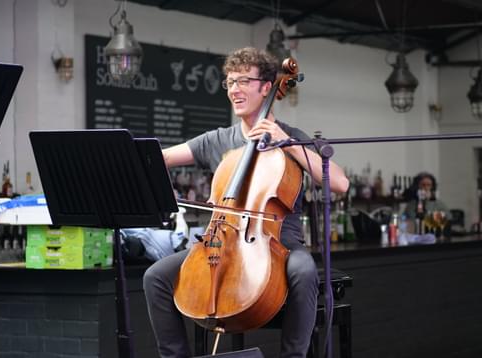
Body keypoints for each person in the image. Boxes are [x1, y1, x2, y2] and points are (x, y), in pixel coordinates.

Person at [143, 47, 349, 358]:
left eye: (243, 81)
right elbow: (161, 158)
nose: (235, 90)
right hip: (220, 240)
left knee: (304, 271)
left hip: (279, 242)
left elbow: (339, 183)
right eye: (229, 82)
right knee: (155, 277)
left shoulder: (291, 137)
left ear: (266, 87)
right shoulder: (218, 140)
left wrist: (286, 142)